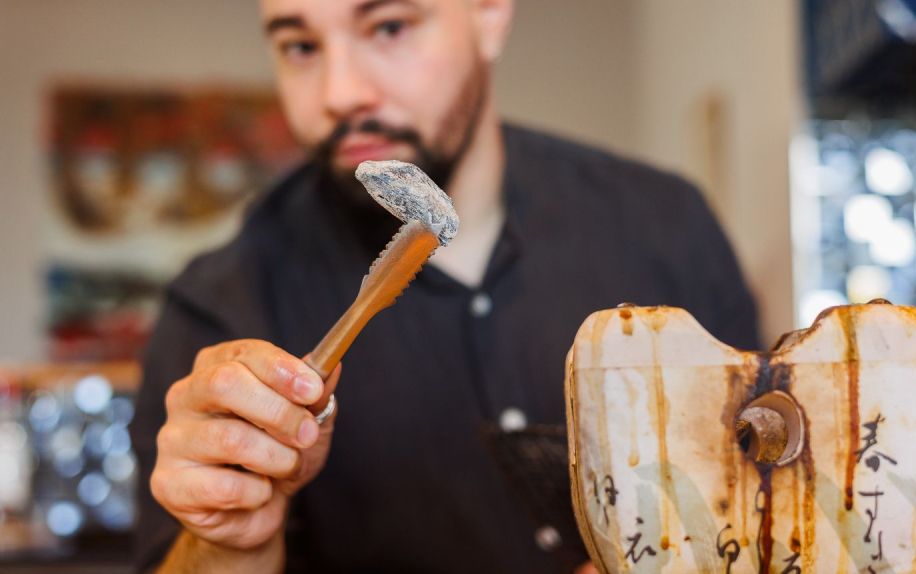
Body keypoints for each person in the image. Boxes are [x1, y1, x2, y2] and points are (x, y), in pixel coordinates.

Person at [131, 0, 760, 572]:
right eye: (300, 46)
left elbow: (762, 492)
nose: (340, 93)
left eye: (389, 27)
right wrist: (226, 542)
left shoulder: (667, 224)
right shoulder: (219, 305)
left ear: (489, 14)